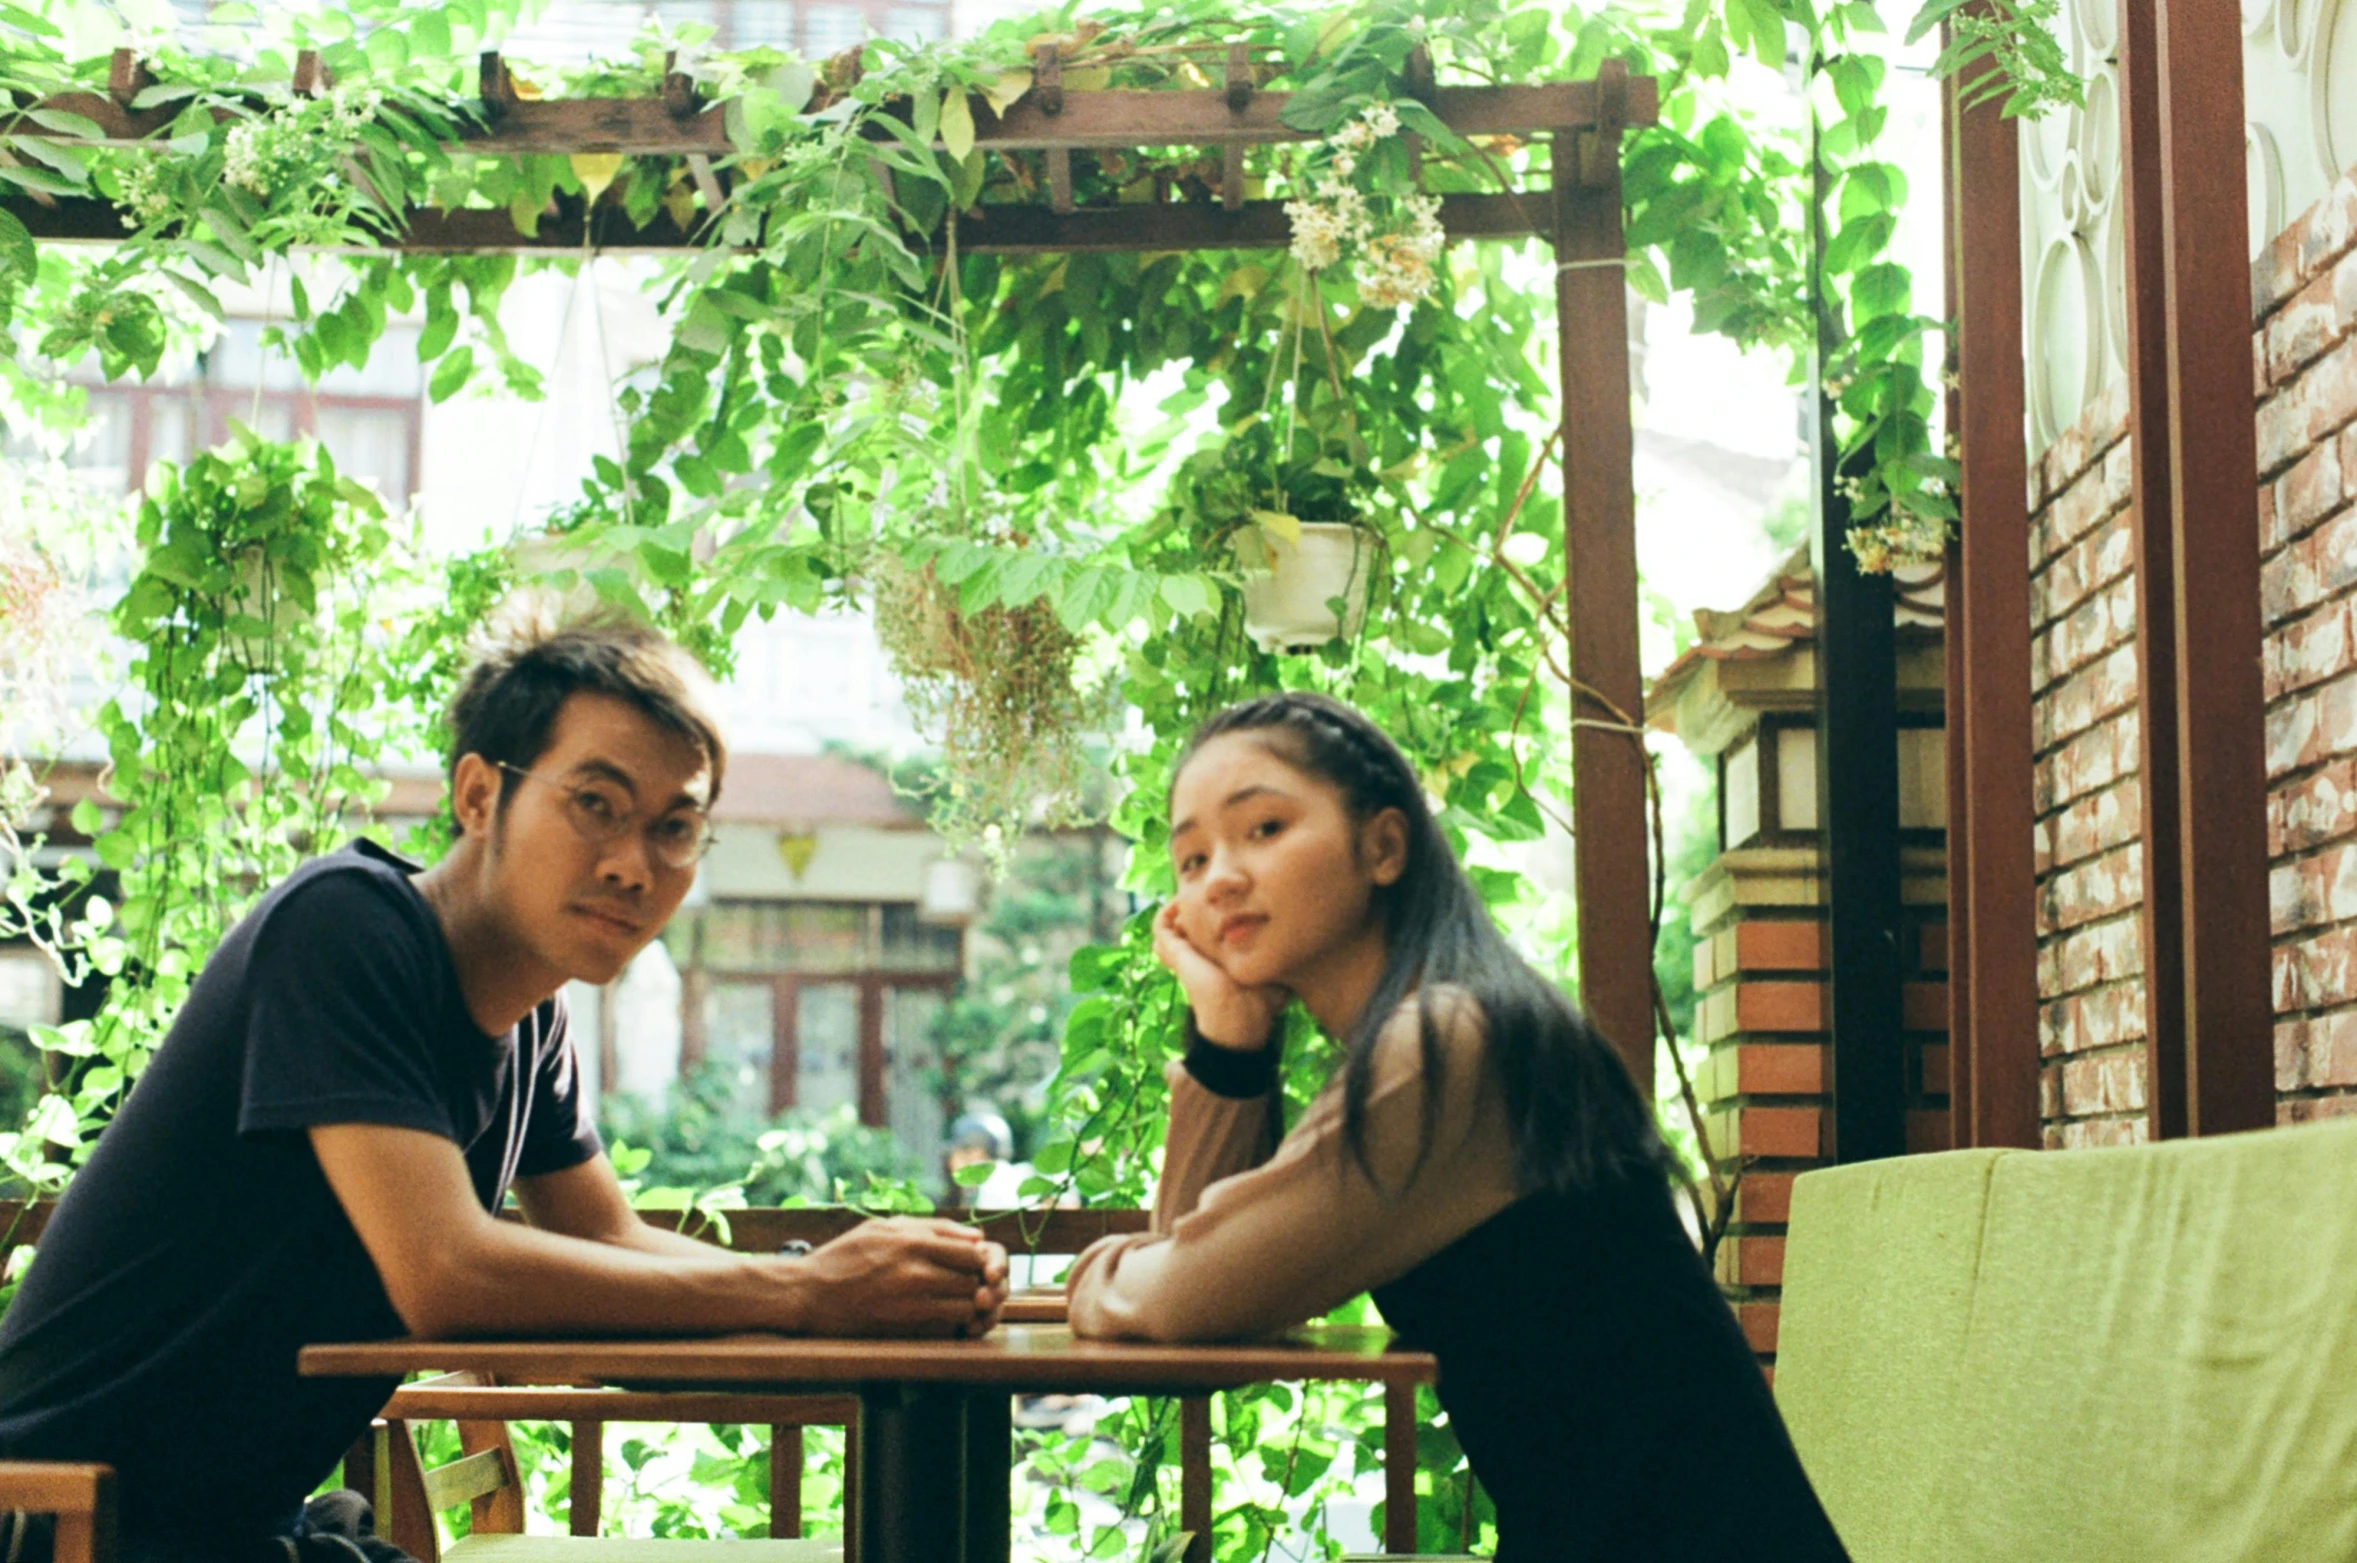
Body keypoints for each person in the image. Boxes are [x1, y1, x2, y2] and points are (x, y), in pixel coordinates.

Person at [0, 615, 1008, 1563]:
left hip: (224, 1529)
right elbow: (444, 1270)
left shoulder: (529, 1023)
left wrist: (848, 1285)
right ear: (480, 796)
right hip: (66, 1520)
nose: (633, 865)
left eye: (674, 827)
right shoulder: (345, 930)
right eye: (595, 805)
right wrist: (801, 1294)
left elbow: (606, 1238)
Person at [1064, 691, 1848, 1561]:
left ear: (1383, 846)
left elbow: (1175, 1297)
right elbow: (1191, 1301)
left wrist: (1101, 1271)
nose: (1219, 878)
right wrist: (1230, 1035)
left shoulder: (1444, 1051)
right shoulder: (1434, 1033)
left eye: (1263, 828)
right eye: (1191, 858)